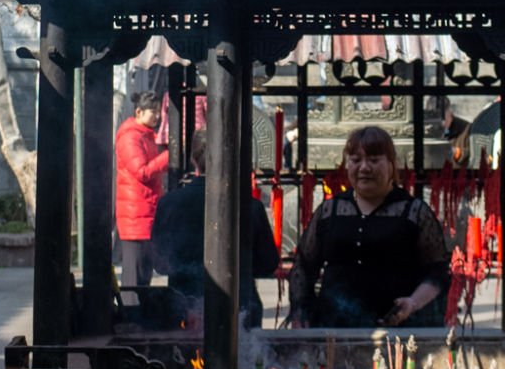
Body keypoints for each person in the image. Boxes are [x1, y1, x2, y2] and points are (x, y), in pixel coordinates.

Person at [288, 126, 450, 328]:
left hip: (397, 331)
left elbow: (437, 273)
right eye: (356, 161)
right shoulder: (331, 210)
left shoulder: (415, 212)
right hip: (333, 328)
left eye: (374, 160)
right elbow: (303, 266)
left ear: (391, 164)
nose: (364, 167)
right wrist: (301, 309)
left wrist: (413, 303)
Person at [151, 131, 279, 327]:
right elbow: (268, 263)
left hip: (183, 307)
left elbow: (160, 264)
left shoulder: (168, 204)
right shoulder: (251, 207)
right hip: (240, 307)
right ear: (232, 158)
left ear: (194, 159)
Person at [115, 92, 169, 290]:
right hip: (135, 218)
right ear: (138, 112)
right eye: (152, 112)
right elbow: (142, 172)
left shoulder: (146, 136)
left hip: (145, 214)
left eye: (158, 112)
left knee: (143, 276)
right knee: (134, 279)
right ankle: (130, 317)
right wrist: (167, 158)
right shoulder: (130, 137)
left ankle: (138, 317)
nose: (156, 116)